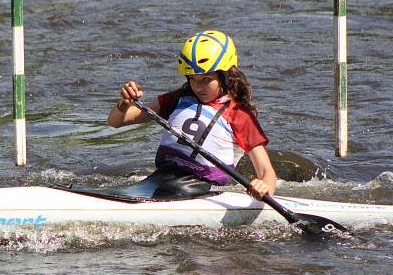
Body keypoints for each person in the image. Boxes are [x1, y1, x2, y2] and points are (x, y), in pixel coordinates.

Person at [108, 29, 277, 200]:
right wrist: (124, 103)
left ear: (226, 77)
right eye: (193, 79)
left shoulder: (239, 115)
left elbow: (267, 172)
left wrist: (263, 186)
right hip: (159, 181)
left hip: (203, 190)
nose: (198, 87)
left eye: (206, 79)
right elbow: (115, 122)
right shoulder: (177, 100)